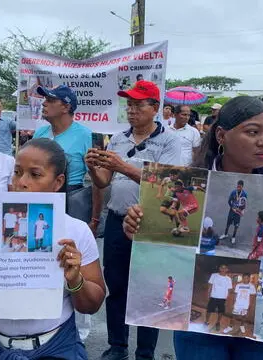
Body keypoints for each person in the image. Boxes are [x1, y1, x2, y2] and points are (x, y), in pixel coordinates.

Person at [122, 96, 263, 360]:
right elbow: (163, 244)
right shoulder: (187, 180)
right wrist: (138, 226)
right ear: (222, 135)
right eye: (253, 132)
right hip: (197, 321)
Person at [0, 138, 106, 359]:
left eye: (35, 175)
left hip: (54, 348)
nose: (22, 182)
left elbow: (92, 304)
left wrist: (75, 280)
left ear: (58, 182)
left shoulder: (75, 231)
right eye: (17, 172)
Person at [86, 80, 181, 360]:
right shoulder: (118, 139)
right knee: (116, 286)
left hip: (150, 223)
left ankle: (145, 352)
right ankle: (117, 346)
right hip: (117, 220)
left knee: (148, 289)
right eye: (129, 105)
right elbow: (104, 182)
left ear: (155, 108)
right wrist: (94, 168)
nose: (131, 110)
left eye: (138, 104)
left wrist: (123, 166)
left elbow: (170, 183)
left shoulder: (170, 141)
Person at [33, 85, 100, 230]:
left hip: (71, 202)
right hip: (40, 199)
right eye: (45, 99)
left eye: (50, 100)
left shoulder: (85, 136)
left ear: (66, 107)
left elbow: (98, 182)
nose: (44, 103)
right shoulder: (39, 134)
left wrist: (95, 218)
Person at [220, 180, 248, 245]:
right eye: (237, 186)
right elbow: (229, 201)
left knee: (236, 225)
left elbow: (244, 203)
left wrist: (242, 210)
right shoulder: (233, 192)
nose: (238, 188)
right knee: (228, 223)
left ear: (242, 187)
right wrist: (232, 207)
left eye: (240, 187)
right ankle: (225, 234)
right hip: (232, 211)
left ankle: (233, 237)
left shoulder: (244, 194)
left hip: (238, 212)